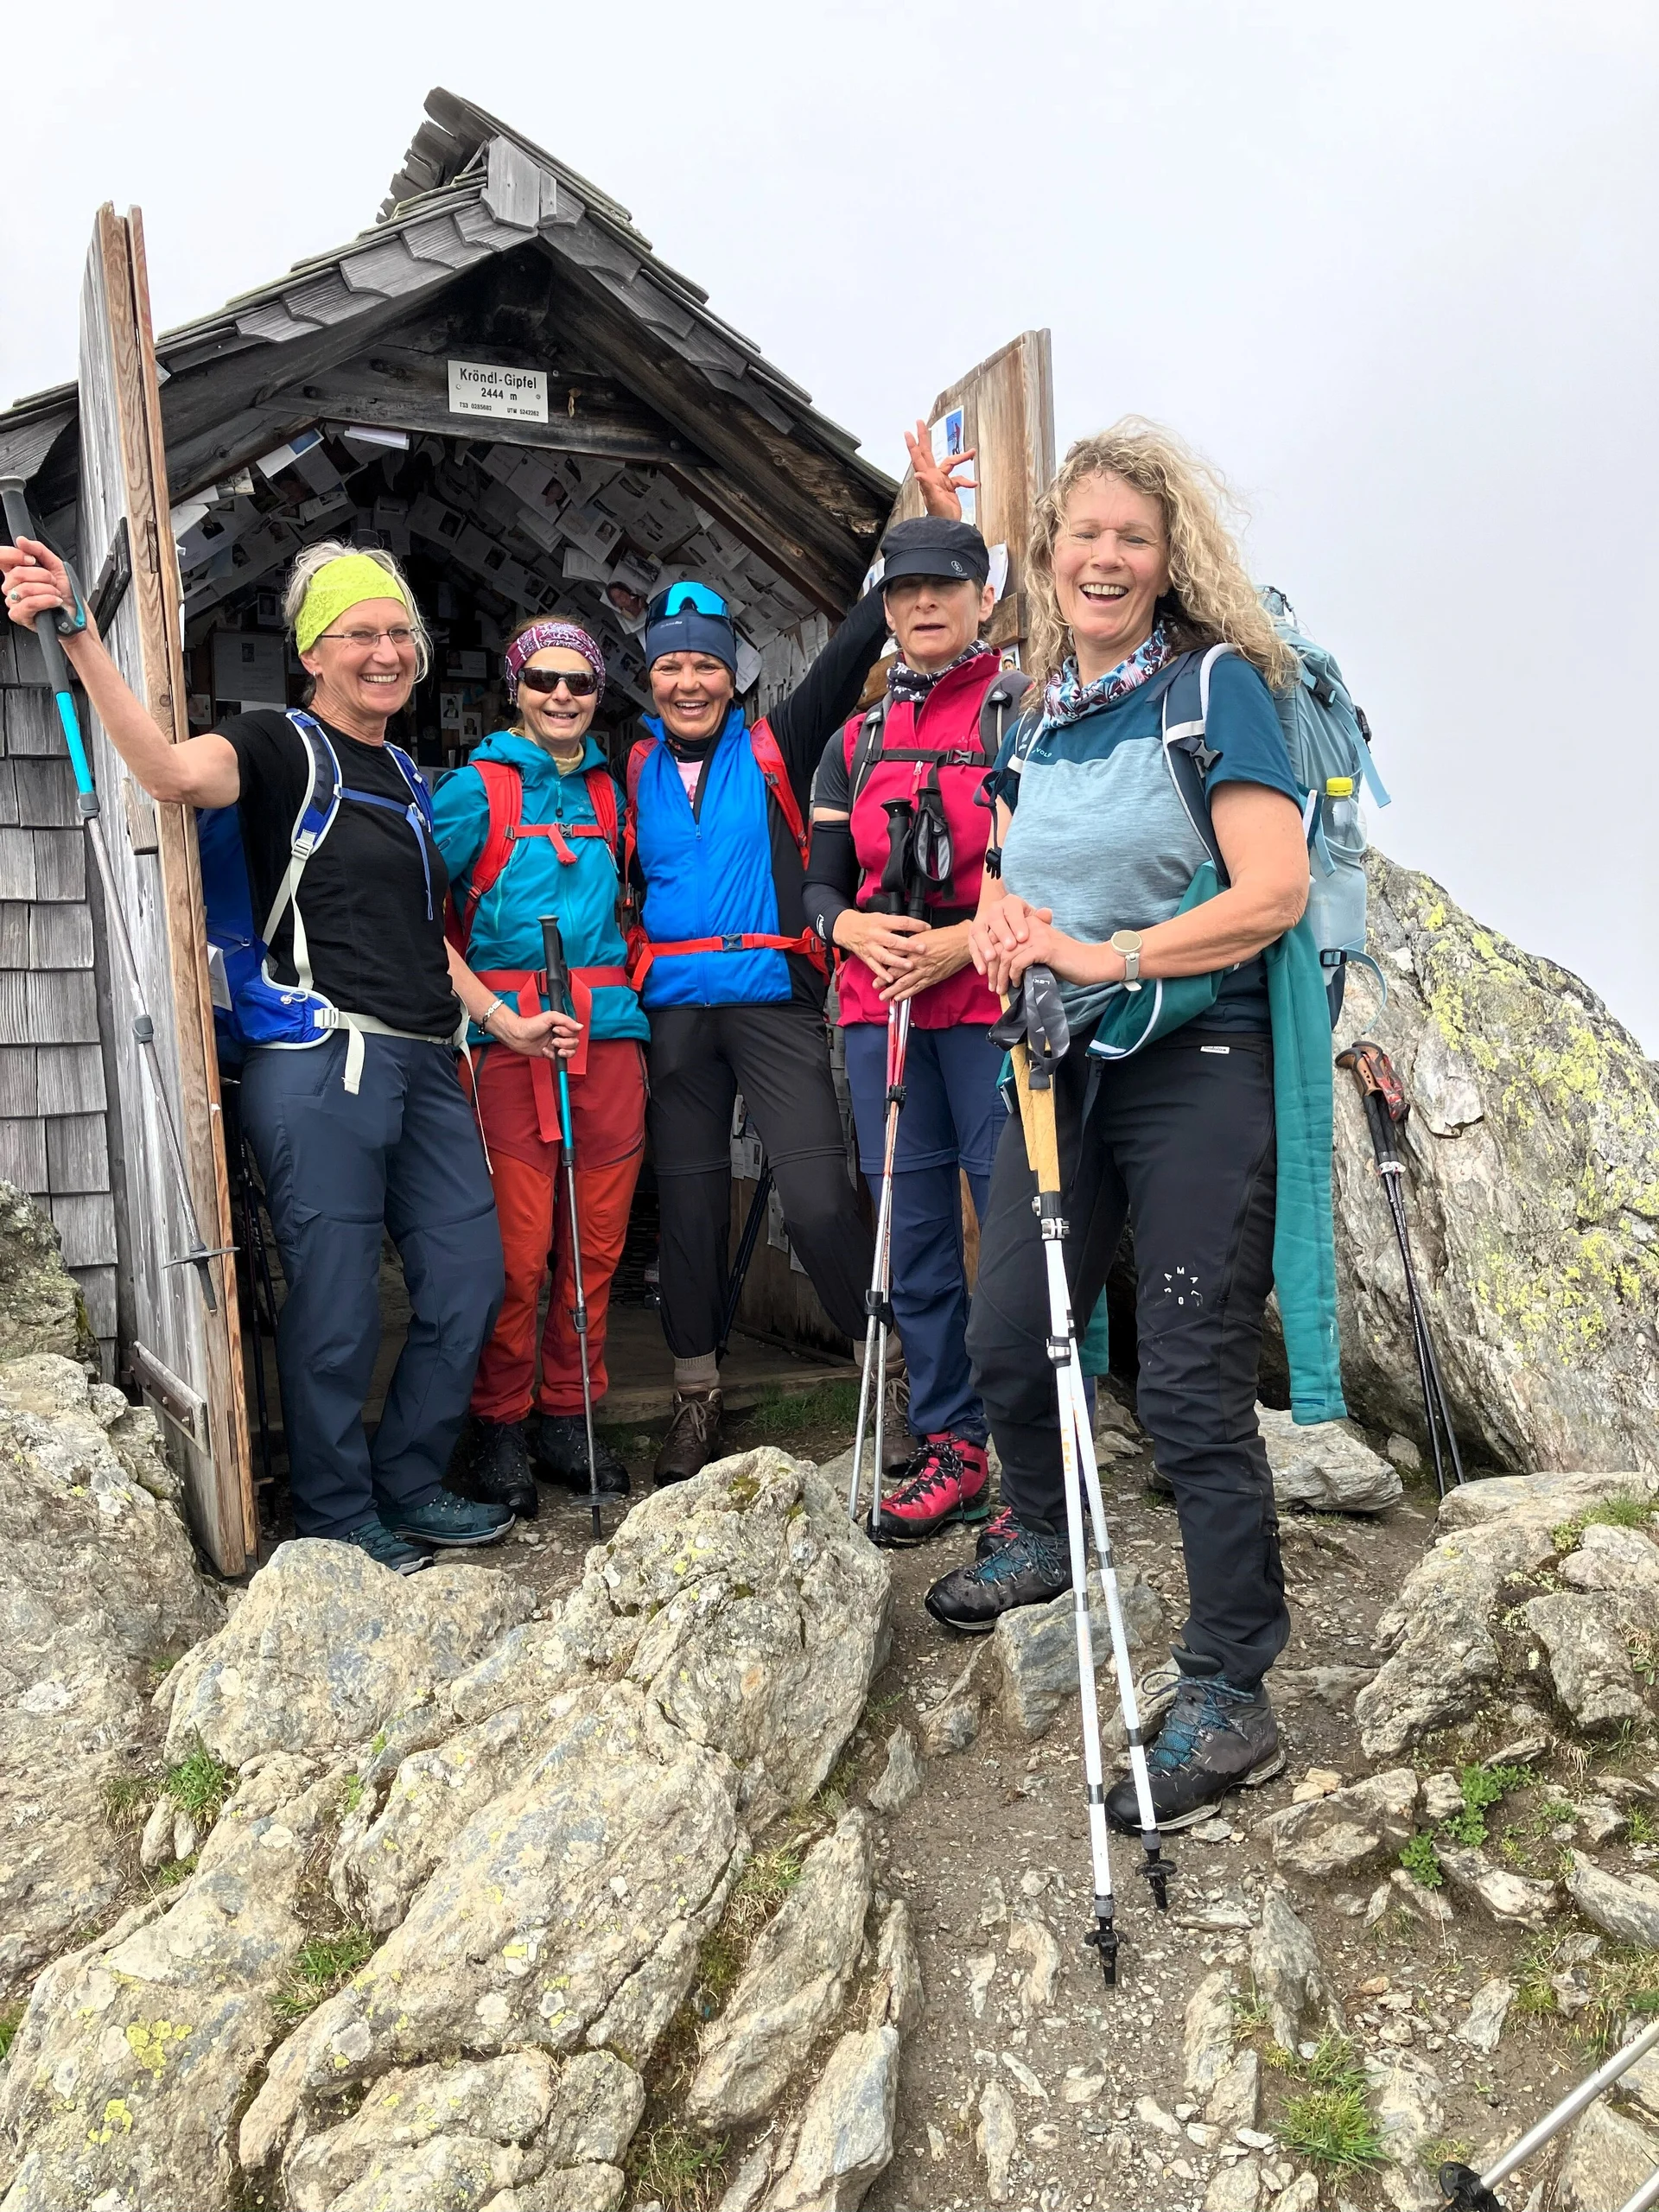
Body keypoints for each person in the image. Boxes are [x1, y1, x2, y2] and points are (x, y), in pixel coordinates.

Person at [924, 420, 1345, 1833]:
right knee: (1000, 1335)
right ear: (1046, 558)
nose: (1104, 558)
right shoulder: (1033, 710)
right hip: (1061, 1064)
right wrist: (1001, 930)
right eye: (1082, 535)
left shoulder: (1217, 688)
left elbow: (1272, 890)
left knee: (1185, 1381)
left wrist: (1110, 958)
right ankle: (1039, 1531)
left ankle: (1232, 1695)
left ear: (1169, 564)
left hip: (1194, 1065)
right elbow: (1011, 871)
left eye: (1133, 539)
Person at [0, 534, 516, 1573]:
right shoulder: (272, 745)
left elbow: (424, 934)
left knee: (468, 1279)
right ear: (312, 654)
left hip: (425, 1063)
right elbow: (163, 771)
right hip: (320, 1064)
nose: (386, 650)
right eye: (358, 633)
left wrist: (503, 1020)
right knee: (331, 1304)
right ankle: (334, 1508)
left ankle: (411, 1481)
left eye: (397, 632)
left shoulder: (410, 776)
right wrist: (85, 641)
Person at [804, 437, 1023, 1545]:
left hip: (986, 1006)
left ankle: (1030, 1448)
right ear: (886, 608)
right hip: (878, 1011)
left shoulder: (1019, 714)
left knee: (1023, 1227)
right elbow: (818, 884)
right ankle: (949, 1440)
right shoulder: (856, 737)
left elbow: (1046, 862)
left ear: (983, 599)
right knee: (918, 1233)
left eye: (945, 586)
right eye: (906, 590)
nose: (925, 604)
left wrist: (953, 946)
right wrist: (848, 928)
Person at [433, 618, 647, 1515]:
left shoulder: (611, 796)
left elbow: (637, 908)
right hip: (509, 1043)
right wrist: (489, 1013)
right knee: (519, 1254)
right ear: (515, 688)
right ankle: (498, 1419)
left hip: (608, 1038)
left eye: (582, 684)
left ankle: (570, 1409)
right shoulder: (471, 792)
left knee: (594, 1246)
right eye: (545, 680)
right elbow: (414, 913)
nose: (563, 696)